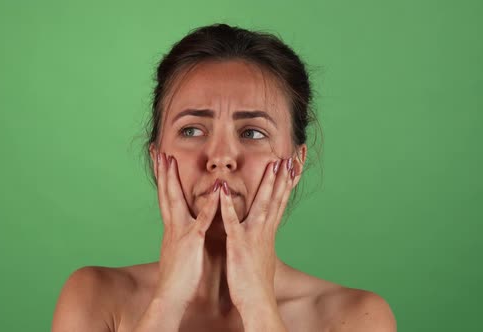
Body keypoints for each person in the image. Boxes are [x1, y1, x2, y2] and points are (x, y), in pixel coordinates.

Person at [51, 23, 396, 332]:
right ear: (157, 156)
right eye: (191, 129)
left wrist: (259, 304)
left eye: (253, 133)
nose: (220, 157)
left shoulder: (356, 317)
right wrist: (167, 300)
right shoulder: (95, 297)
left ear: (296, 161)